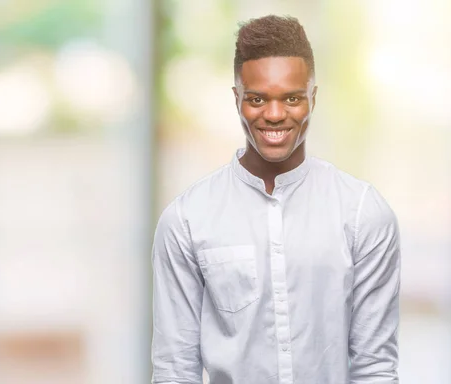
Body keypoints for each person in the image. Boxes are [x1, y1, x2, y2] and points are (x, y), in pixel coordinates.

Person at [151, 15, 401, 384]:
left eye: (292, 98)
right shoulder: (187, 220)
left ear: (312, 97)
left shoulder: (363, 212)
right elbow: (175, 370)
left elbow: (375, 368)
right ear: (236, 98)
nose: (274, 114)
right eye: (256, 99)